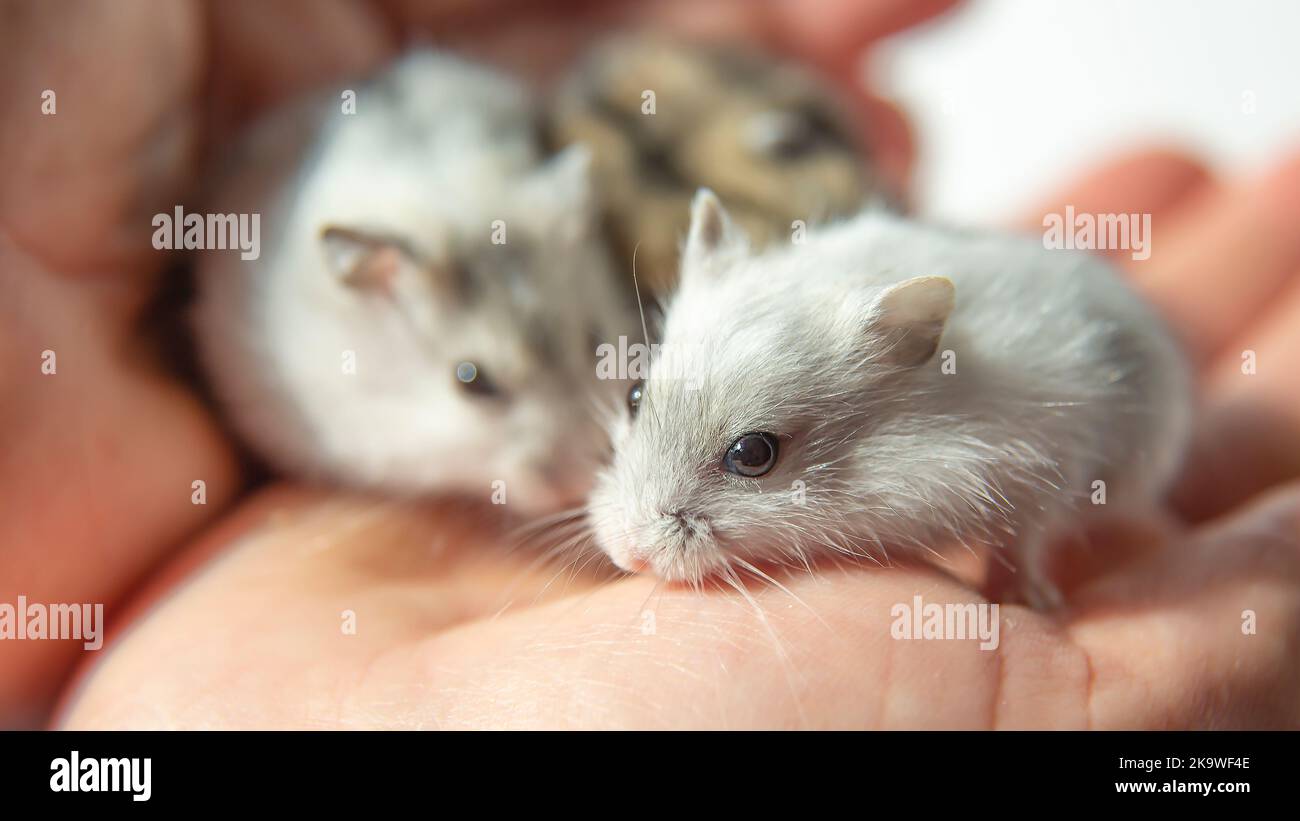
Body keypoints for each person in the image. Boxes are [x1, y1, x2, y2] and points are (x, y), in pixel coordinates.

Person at [2, 0, 1298, 729]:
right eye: (638, 419)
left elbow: (1044, 422)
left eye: (751, 457)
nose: (625, 525)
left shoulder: (977, 396)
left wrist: (1022, 555)